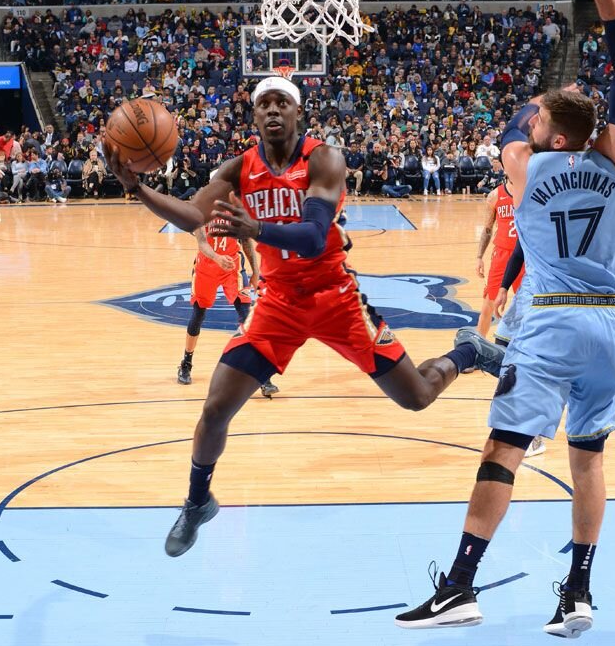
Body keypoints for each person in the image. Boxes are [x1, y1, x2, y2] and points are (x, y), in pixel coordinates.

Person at [105, 76, 487, 557]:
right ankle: (197, 501)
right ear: (253, 115)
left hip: (335, 298)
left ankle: (467, 351)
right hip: (277, 302)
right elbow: (192, 216)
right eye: (262, 102)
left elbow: (312, 235)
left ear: (297, 113)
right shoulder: (239, 167)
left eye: (281, 102)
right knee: (215, 407)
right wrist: (136, 187)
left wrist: (257, 227)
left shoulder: (323, 159)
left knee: (416, 397)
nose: (271, 110)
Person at [396, 0, 615, 634]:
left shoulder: (525, 169)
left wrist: (539, 103)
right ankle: (579, 592)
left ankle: (462, 585)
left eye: (537, 121)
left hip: (556, 321)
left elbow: (517, 132)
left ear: (552, 138)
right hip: (614, 325)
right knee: (587, 458)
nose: (528, 124)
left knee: (503, 448)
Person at [177, 227, 278, 398]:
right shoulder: (203, 205)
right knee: (198, 314)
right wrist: (217, 258)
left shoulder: (235, 205)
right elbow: (202, 242)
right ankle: (186, 363)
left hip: (232, 268)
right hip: (206, 268)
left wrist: (256, 271)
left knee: (247, 318)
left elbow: (245, 240)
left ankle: (262, 376)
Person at [475, 182, 522, 341]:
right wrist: (479, 257)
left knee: (527, 305)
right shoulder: (494, 195)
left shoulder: (529, 190)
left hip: (524, 255)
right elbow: (487, 229)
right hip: (501, 254)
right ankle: (477, 349)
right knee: (488, 305)